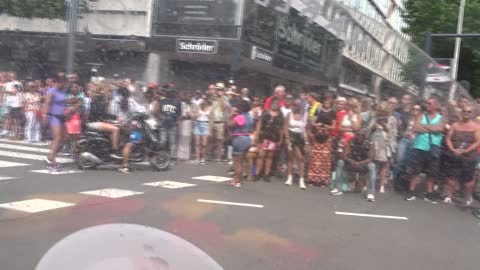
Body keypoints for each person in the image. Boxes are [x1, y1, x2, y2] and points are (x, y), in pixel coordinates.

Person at [405, 97, 446, 202]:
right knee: (415, 171)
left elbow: (440, 129)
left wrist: (424, 127)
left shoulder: (441, 118)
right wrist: (432, 127)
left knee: (431, 173)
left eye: (429, 104)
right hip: (419, 146)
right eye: (426, 103)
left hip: (433, 148)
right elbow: (416, 128)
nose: (427, 105)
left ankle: (429, 193)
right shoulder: (421, 115)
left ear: (436, 105)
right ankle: (411, 191)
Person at [443, 105, 480, 205]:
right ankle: (449, 196)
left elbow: (477, 142)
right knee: (452, 177)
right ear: (461, 112)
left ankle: (468, 197)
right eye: (464, 111)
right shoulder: (455, 125)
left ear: (472, 114)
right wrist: (452, 149)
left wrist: (466, 150)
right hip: (455, 155)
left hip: (469, 157)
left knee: (468, 181)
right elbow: (448, 138)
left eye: (468, 112)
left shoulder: (476, 127)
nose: (466, 113)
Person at [331, 129, 377, 202]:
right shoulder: (351, 141)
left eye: (361, 135)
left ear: (365, 136)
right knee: (340, 162)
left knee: (372, 166)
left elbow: (371, 158)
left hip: (363, 165)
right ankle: (338, 188)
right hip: (352, 163)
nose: (359, 137)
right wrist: (351, 161)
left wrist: (360, 163)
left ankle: (370, 193)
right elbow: (344, 156)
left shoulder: (370, 143)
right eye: (357, 135)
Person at [308, 93, 336, 187]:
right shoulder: (318, 110)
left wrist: (326, 127)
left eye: (329, 100)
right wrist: (318, 125)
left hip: (327, 136)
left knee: (325, 159)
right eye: (325, 100)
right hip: (317, 134)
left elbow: (333, 126)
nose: (327, 102)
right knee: (315, 157)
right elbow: (313, 122)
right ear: (323, 101)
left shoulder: (333, 112)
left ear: (331, 102)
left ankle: (322, 180)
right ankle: (313, 179)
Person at [254, 99, 284, 182]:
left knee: (270, 157)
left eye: (276, 104)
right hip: (263, 137)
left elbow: (281, 129)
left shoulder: (280, 116)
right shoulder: (265, 113)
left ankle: (266, 174)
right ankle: (257, 173)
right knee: (261, 155)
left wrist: (280, 139)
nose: (275, 105)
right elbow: (259, 124)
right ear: (271, 104)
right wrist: (256, 136)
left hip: (273, 138)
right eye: (273, 103)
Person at [370, 101, 397, 193]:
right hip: (375, 141)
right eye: (380, 110)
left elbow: (393, 133)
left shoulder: (392, 119)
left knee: (383, 165)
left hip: (385, 143)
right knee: (372, 164)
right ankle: (370, 183)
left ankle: (381, 185)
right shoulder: (375, 117)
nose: (382, 113)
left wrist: (385, 125)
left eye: (384, 111)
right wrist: (374, 126)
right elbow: (369, 129)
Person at [43, 76, 67, 171]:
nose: (61, 84)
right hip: (54, 116)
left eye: (62, 82)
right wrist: (45, 115)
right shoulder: (52, 91)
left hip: (63, 117)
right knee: (57, 137)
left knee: (64, 139)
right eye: (58, 82)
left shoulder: (64, 91)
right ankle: (51, 160)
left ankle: (50, 156)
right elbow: (47, 103)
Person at [228, 100, 254, 187]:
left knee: (237, 161)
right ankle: (239, 178)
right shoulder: (249, 116)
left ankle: (237, 180)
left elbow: (229, 124)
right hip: (247, 138)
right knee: (242, 160)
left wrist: (231, 115)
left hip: (239, 139)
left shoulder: (240, 117)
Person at [284, 101, 307, 189]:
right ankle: (290, 177)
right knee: (291, 157)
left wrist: (307, 142)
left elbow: (306, 129)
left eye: (298, 105)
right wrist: (287, 138)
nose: (296, 106)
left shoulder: (304, 115)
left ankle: (301, 179)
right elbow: (285, 127)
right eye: (294, 105)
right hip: (291, 136)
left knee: (301, 159)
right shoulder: (289, 114)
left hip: (301, 138)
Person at [159, 85, 182, 164]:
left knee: (172, 142)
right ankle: (163, 157)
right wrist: (161, 117)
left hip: (172, 124)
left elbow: (179, 114)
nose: (171, 93)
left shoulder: (177, 102)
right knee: (163, 142)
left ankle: (172, 158)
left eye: (172, 92)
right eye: (169, 92)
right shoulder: (163, 101)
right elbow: (159, 111)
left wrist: (177, 122)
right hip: (164, 124)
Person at [210, 82, 230, 162]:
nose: (218, 91)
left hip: (220, 122)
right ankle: (211, 154)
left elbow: (225, 108)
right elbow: (211, 110)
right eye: (217, 89)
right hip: (213, 121)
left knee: (219, 140)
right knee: (212, 139)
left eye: (220, 89)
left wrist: (221, 97)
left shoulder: (225, 98)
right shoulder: (213, 98)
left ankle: (219, 156)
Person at [193, 100, 212, 164]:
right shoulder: (198, 108)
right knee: (197, 143)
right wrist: (197, 113)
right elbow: (195, 116)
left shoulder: (210, 108)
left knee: (204, 144)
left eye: (205, 102)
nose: (203, 103)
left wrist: (210, 130)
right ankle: (197, 158)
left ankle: (203, 158)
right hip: (198, 124)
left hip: (206, 125)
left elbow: (211, 119)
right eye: (202, 103)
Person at [177, 91, 194, 161]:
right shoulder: (181, 104)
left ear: (191, 97)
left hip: (189, 123)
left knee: (187, 140)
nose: (188, 97)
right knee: (181, 139)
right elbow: (179, 114)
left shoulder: (193, 105)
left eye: (189, 96)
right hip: (182, 123)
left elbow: (194, 115)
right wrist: (182, 117)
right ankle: (180, 156)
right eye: (186, 96)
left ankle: (186, 157)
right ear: (184, 96)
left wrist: (189, 115)